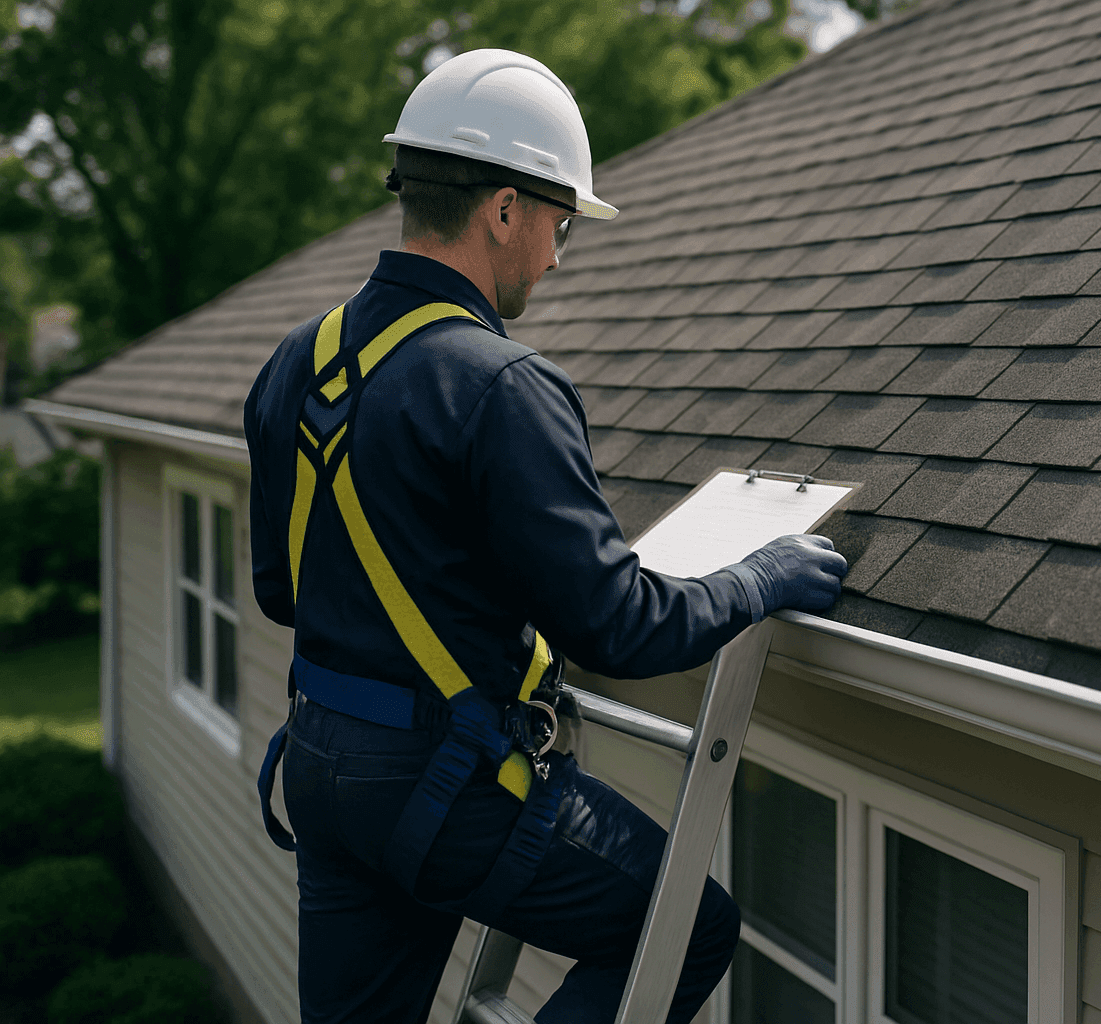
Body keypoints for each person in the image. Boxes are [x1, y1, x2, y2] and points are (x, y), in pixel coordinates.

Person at [243, 49, 848, 1024]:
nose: (559, 254)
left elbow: (284, 589)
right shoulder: (503, 385)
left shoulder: (295, 364)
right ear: (507, 209)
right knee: (686, 925)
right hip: (442, 791)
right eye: (562, 222)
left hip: (322, 764)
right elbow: (622, 630)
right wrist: (760, 576)